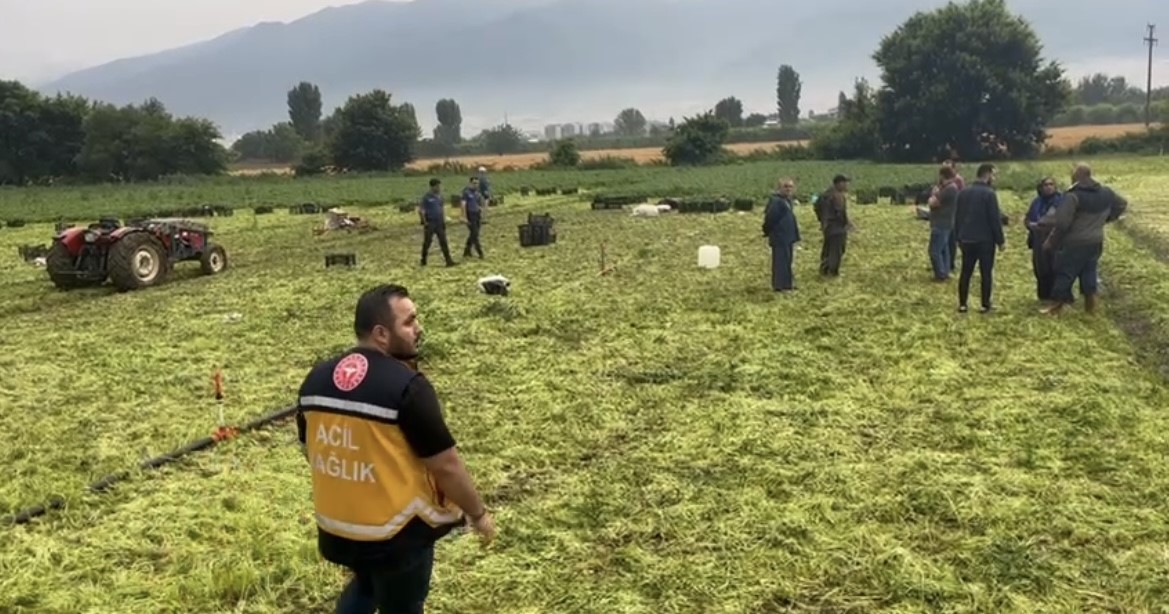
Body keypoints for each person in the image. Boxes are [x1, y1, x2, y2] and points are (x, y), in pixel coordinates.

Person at [296, 284, 496, 614]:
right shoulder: (407, 388)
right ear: (381, 333)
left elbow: (311, 450)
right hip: (397, 536)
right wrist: (477, 513)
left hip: (338, 528)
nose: (418, 329)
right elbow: (446, 465)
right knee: (402, 603)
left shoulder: (315, 380)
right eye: (409, 322)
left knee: (366, 585)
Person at [1039, 163, 1128, 315]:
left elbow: (1062, 223)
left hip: (1075, 242)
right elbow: (1122, 204)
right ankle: (1090, 306)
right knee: (1089, 270)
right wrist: (1107, 218)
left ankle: (1057, 306)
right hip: (1095, 241)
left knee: (1065, 271)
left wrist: (1051, 242)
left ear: (1077, 176)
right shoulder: (1106, 192)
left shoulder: (1073, 196)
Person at [953, 163, 1005, 313]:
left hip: (966, 238)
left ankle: (963, 304)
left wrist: (958, 236)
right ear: (987, 174)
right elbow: (994, 219)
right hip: (985, 240)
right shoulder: (989, 194)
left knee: (965, 272)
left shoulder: (963, 192)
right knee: (986, 273)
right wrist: (1000, 240)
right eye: (993, 175)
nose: (994, 178)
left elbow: (958, 216)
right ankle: (985, 304)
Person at [1025, 177, 1063, 301]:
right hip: (1038, 238)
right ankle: (1043, 295)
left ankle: (1056, 295)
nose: (1048, 187)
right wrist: (1030, 224)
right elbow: (1028, 218)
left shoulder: (1060, 201)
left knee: (1055, 266)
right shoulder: (1037, 202)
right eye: (1045, 185)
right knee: (1041, 267)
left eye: (1051, 184)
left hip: (1055, 239)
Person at [762, 178, 801, 291]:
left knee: (788, 260)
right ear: (779, 188)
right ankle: (779, 286)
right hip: (780, 236)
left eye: (790, 187)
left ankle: (787, 284)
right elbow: (770, 219)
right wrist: (767, 231)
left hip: (788, 236)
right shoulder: (776, 201)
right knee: (780, 261)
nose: (788, 189)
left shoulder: (787, 200)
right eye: (785, 186)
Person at [927, 166, 960, 281]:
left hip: (941, 223)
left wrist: (933, 194)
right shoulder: (951, 187)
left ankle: (940, 273)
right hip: (947, 222)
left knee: (934, 250)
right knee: (944, 249)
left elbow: (933, 203)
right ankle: (945, 271)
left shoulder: (948, 189)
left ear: (942, 175)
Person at [816, 174, 851, 277]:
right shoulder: (837, 196)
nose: (847, 186)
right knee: (837, 250)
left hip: (827, 226)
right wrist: (846, 223)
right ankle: (832, 272)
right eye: (845, 183)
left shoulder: (825, 194)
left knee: (828, 248)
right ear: (839, 183)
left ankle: (824, 270)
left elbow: (816, 207)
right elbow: (840, 212)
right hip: (836, 227)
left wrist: (822, 220)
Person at [418, 178, 455, 267]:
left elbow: (442, 209)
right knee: (427, 242)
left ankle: (448, 260)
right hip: (430, 222)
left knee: (443, 241)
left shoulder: (440, 197)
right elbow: (421, 210)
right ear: (432, 187)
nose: (439, 188)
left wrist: (444, 219)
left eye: (439, 186)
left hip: (439, 222)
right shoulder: (426, 197)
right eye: (437, 186)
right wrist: (424, 221)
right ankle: (423, 259)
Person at [461, 177, 485, 259]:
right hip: (470, 215)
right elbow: (463, 204)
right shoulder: (466, 192)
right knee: (474, 234)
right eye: (474, 183)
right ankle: (480, 252)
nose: (476, 185)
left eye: (477, 183)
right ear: (470, 183)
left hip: (477, 215)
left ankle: (466, 251)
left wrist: (480, 209)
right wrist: (464, 216)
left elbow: (480, 202)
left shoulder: (477, 193)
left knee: (474, 234)